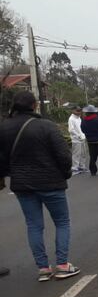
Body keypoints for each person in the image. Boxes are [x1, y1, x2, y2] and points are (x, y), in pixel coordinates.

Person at [0, 91, 80, 281]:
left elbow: (1, 160)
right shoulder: (46, 126)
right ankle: (62, 264)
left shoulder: (4, 128)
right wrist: (65, 173)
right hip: (51, 182)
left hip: (22, 185)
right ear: (34, 105)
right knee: (62, 222)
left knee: (34, 226)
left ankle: (43, 268)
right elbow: (63, 155)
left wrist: (9, 175)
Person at [80, 104, 98, 176]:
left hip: (90, 141)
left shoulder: (84, 121)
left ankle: (93, 171)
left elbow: (83, 130)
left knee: (92, 156)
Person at [67, 106, 87, 174]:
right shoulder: (71, 119)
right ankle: (75, 168)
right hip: (76, 139)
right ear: (73, 111)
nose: (79, 112)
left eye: (80, 111)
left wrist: (83, 135)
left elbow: (81, 128)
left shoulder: (79, 118)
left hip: (82, 138)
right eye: (77, 111)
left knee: (83, 153)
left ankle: (82, 166)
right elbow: (71, 130)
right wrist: (78, 136)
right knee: (76, 154)